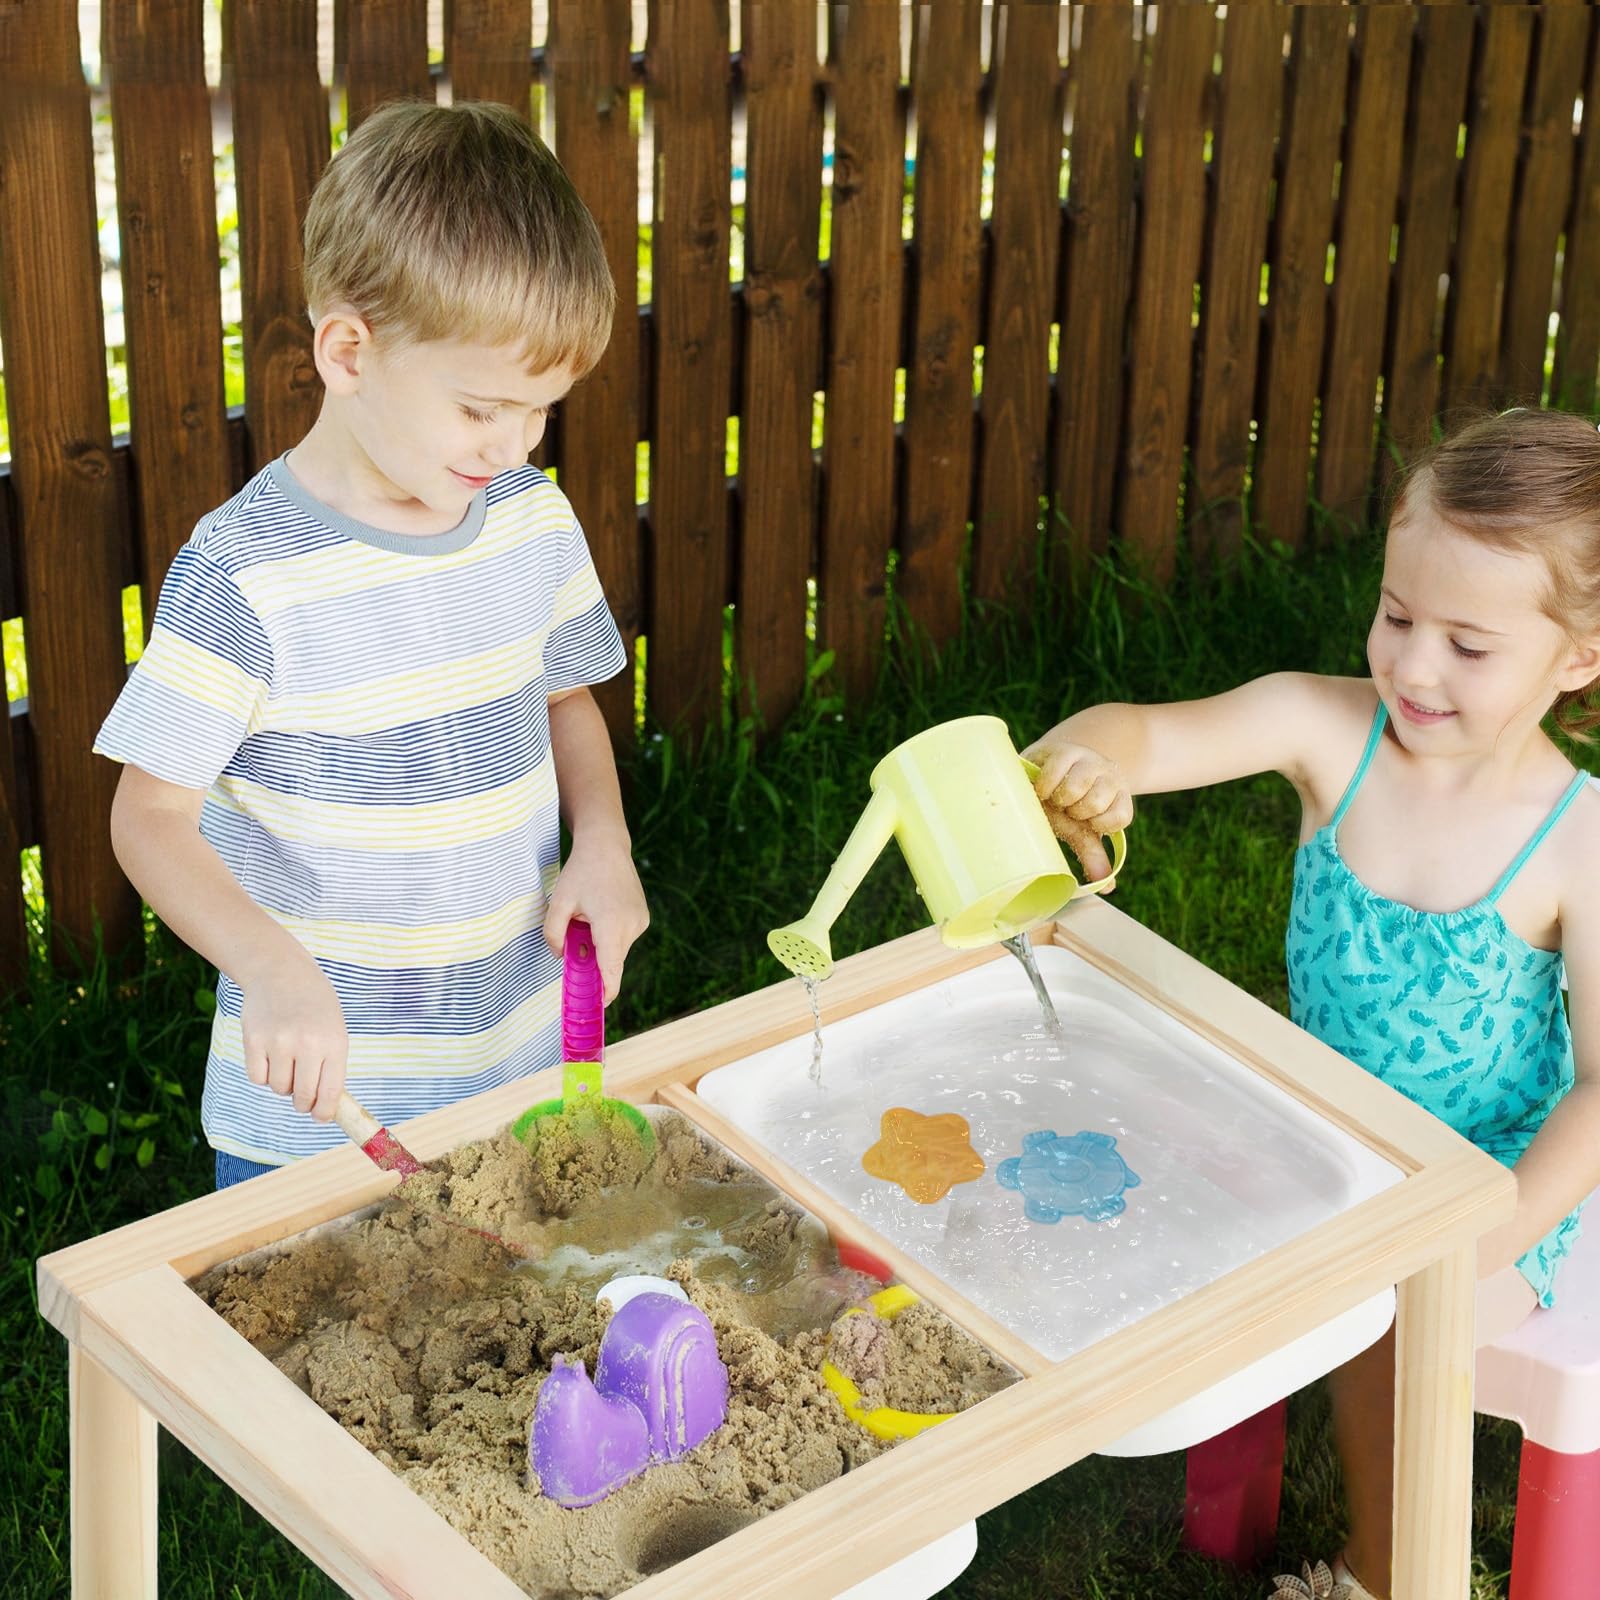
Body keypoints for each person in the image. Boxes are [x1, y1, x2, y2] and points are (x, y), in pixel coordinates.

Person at [1024, 408, 1600, 1600]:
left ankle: (1388, 1574)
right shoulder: (1323, 727)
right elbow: (1140, 732)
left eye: (1467, 643)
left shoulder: (1577, 837)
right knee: (1104, 1160)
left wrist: (1484, 1228)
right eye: (1396, 616)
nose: (1413, 666)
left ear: (1577, 657)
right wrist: (1085, 759)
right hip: (1313, 1126)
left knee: (1389, 1323)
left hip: (1480, 1175)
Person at [95, 100, 648, 1188]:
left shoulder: (529, 519)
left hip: (512, 1047)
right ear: (348, 351)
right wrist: (269, 966)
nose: (517, 442)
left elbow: (563, 700)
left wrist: (606, 844)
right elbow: (149, 818)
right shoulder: (244, 576)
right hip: (320, 1096)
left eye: (540, 410)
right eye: (484, 407)